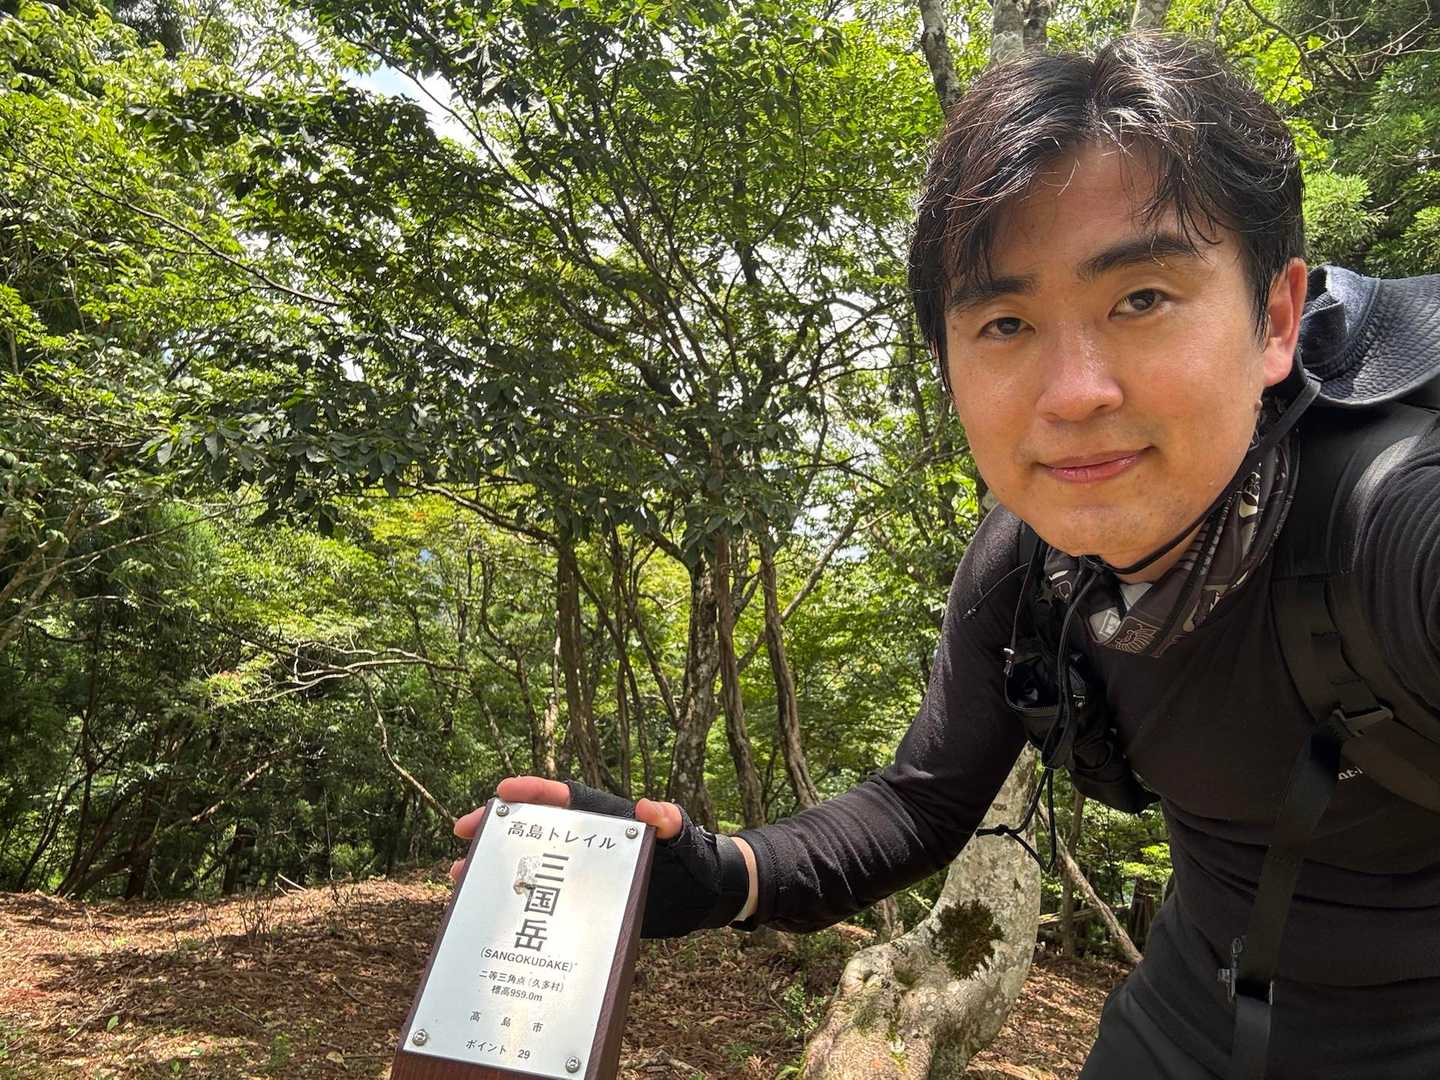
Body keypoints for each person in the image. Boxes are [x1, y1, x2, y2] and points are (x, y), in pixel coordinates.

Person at [451, 34, 1440, 1079]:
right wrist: (714, 873)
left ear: (1275, 318)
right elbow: (921, 801)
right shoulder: (1033, 566)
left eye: (1141, 299)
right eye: (1006, 322)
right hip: (1188, 1017)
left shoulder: (1392, 522)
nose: (1075, 393)